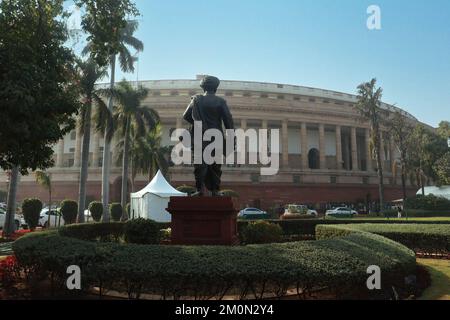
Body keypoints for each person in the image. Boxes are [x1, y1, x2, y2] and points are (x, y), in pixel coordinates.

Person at [183, 75, 234, 196]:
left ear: (203, 87)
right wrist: (232, 137)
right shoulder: (220, 102)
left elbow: (185, 115)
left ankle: (199, 190)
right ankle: (215, 190)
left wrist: (198, 123)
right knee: (215, 165)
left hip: (200, 135)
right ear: (216, 88)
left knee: (199, 164)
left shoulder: (196, 100)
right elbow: (228, 121)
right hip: (216, 136)